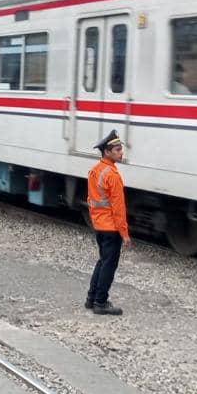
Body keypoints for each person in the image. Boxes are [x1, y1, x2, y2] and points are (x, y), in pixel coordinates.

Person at [84, 129, 131, 316]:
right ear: (107, 152)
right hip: (111, 228)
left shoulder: (95, 171)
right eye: (118, 149)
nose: (121, 152)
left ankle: (91, 299)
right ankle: (101, 302)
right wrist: (125, 234)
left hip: (99, 225)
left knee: (102, 261)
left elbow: (92, 200)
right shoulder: (112, 175)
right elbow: (119, 209)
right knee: (109, 265)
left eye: (121, 149)